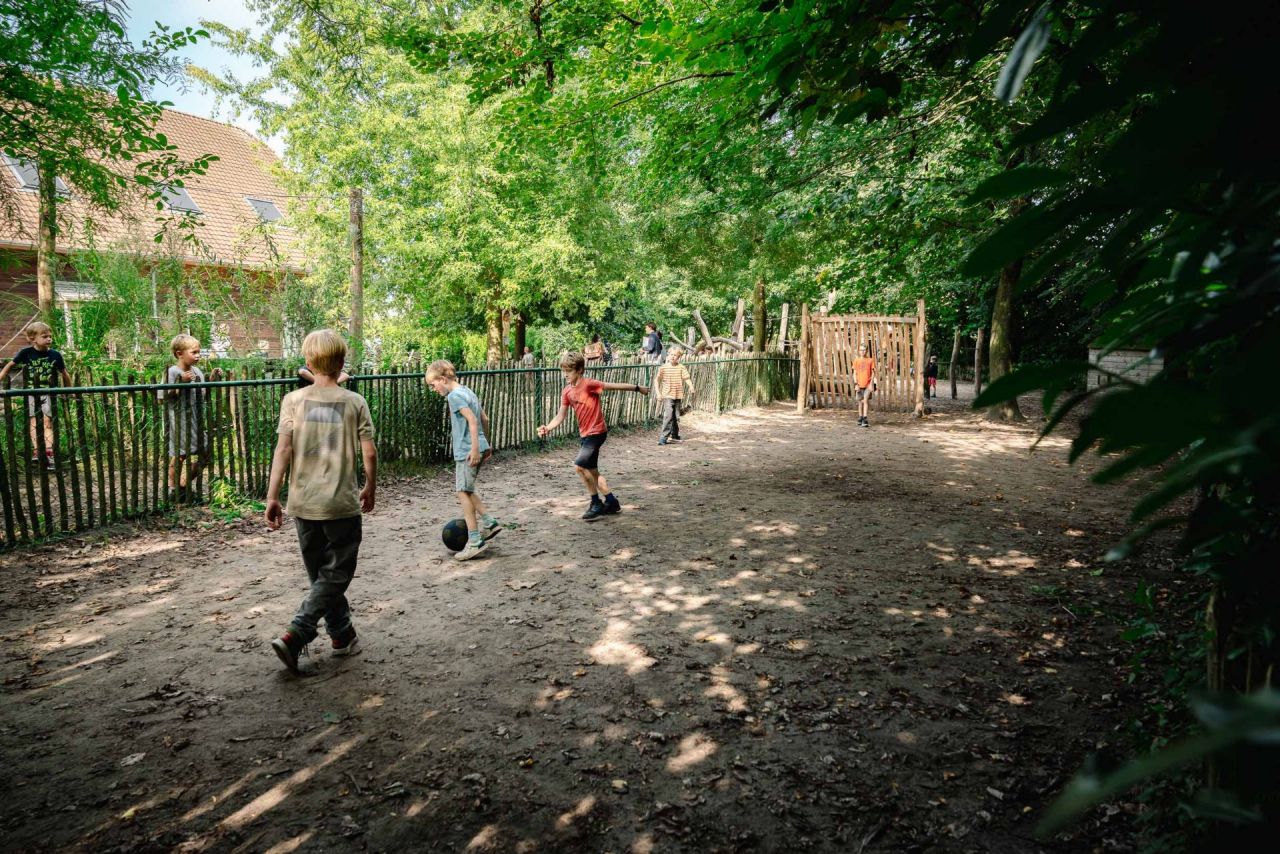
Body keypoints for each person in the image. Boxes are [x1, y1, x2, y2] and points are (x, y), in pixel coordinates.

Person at [266, 329, 377, 674]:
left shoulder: (293, 401)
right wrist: (370, 485)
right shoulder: (354, 402)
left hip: (304, 503)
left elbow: (283, 449)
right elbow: (369, 452)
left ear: (308, 363)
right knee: (336, 574)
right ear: (342, 362)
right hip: (341, 504)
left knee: (322, 577)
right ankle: (297, 632)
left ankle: (342, 636)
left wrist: (272, 495)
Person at [537, 352, 650, 521]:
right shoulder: (567, 391)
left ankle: (596, 503)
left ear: (579, 370)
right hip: (585, 434)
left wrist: (637, 388)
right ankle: (611, 502)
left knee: (579, 466)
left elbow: (614, 386)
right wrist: (548, 427)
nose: (565, 374)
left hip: (597, 432)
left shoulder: (589, 384)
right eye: (564, 371)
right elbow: (561, 415)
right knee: (592, 471)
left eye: (569, 371)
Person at [425, 359, 500, 561]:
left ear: (443, 379)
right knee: (467, 488)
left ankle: (474, 540)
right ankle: (489, 522)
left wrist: (475, 449)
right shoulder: (468, 391)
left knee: (462, 491)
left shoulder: (454, 396)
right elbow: (485, 418)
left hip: (467, 450)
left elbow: (473, 420)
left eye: (433, 384)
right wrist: (485, 444)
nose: (433, 389)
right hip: (478, 445)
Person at [0, 321, 72, 470]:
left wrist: (69, 391)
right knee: (33, 421)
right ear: (33, 338)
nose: (49, 339)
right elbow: (10, 365)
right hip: (32, 393)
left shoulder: (55, 355)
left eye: (50, 336)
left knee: (47, 422)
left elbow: (64, 373)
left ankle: (49, 453)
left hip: (49, 393)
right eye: (45, 336)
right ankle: (37, 451)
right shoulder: (26, 353)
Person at [161, 334, 207, 502]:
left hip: (196, 420)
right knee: (180, 455)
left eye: (198, 352)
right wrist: (180, 383)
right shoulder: (172, 372)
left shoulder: (198, 372)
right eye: (194, 352)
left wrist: (212, 379)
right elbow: (162, 397)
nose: (198, 355)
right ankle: (173, 489)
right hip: (178, 422)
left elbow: (203, 394)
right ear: (179, 354)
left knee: (206, 453)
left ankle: (182, 485)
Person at [654, 345, 695, 445]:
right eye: (671, 354)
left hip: (678, 395)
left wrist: (691, 386)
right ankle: (663, 437)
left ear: (679, 357)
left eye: (675, 355)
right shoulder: (663, 368)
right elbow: (656, 380)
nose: (673, 357)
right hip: (667, 395)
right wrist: (658, 393)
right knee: (668, 415)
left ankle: (675, 435)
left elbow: (686, 378)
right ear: (668, 355)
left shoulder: (681, 367)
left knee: (676, 416)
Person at [853, 342, 876, 428]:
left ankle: (865, 418)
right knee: (860, 402)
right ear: (859, 351)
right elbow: (854, 373)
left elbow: (873, 373)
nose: (862, 351)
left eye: (864, 350)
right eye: (861, 350)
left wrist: (871, 384)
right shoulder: (856, 361)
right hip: (859, 384)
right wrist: (856, 384)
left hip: (867, 385)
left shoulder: (870, 360)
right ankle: (860, 417)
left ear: (866, 351)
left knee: (865, 401)